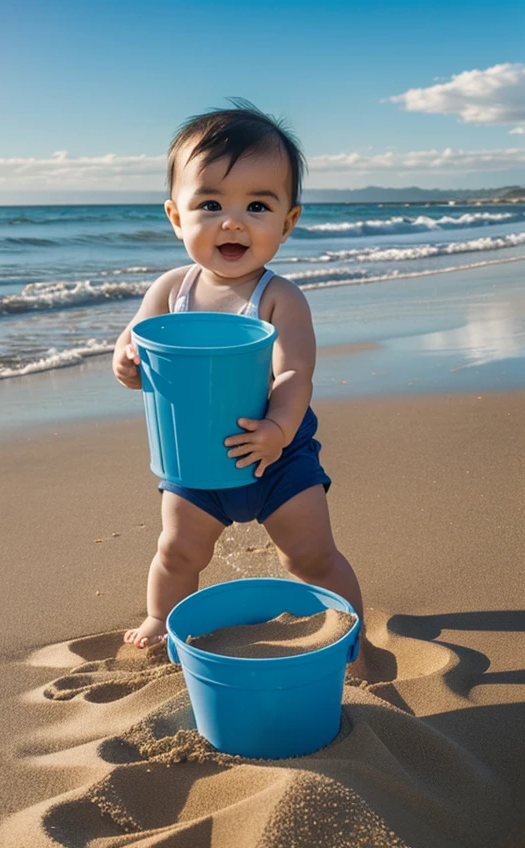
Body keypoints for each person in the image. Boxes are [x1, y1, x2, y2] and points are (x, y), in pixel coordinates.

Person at [112, 101, 369, 672]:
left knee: (311, 556)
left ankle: (352, 637)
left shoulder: (280, 297)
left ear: (288, 220)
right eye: (209, 203)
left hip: (278, 458)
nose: (233, 221)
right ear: (176, 217)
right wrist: (125, 364)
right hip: (194, 458)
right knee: (177, 551)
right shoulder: (169, 291)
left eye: (257, 205)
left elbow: (295, 371)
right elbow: (133, 347)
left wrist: (278, 430)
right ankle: (160, 618)